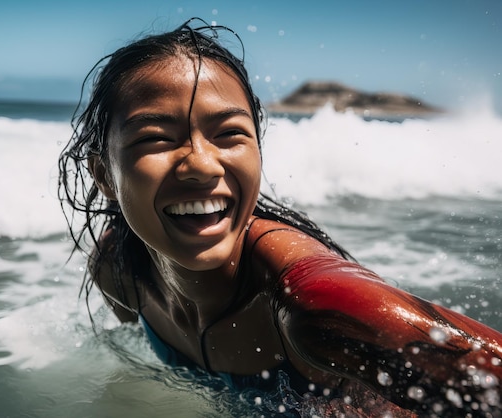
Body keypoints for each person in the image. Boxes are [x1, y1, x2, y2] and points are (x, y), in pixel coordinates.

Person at [58, 18, 502, 417]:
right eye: (155, 139)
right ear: (104, 176)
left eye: (229, 134)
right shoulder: (119, 270)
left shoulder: (316, 304)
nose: (202, 165)